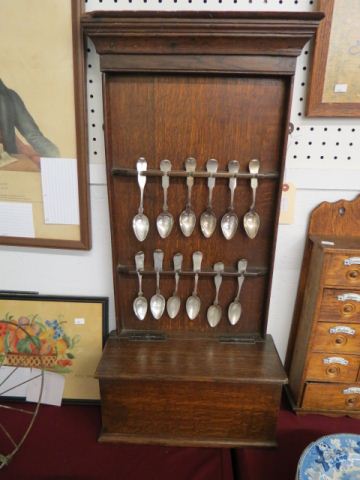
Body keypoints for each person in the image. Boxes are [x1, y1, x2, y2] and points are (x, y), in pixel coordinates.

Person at [0, 78, 60, 162]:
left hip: (3, 98)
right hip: (10, 95)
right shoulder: (11, 94)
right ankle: (55, 156)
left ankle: (54, 157)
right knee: (33, 135)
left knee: (10, 142)